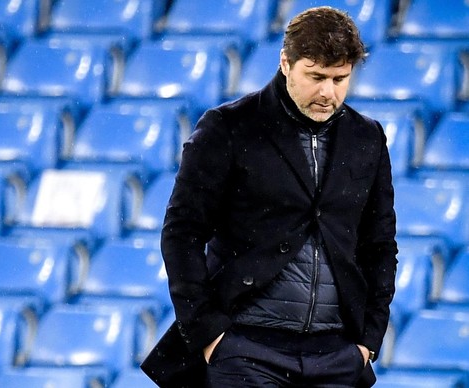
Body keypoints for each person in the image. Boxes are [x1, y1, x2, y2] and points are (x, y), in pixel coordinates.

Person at [141, 6, 398, 388]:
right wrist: (211, 335)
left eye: (340, 79)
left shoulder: (368, 138)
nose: (328, 92)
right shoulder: (228, 127)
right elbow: (182, 232)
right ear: (285, 63)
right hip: (245, 350)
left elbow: (380, 246)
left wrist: (368, 342)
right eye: (316, 76)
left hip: (339, 355)